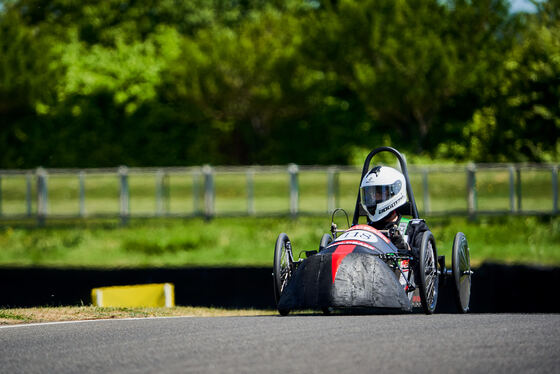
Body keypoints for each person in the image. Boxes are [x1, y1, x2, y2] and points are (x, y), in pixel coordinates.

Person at [359, 165, 429, 256]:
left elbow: (424, 261)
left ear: (394, 191)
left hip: (402, 269)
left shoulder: (414, 228)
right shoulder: (363, 231)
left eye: (379, 192)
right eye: (370, 193)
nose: (374, 197)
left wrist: (405, 248)